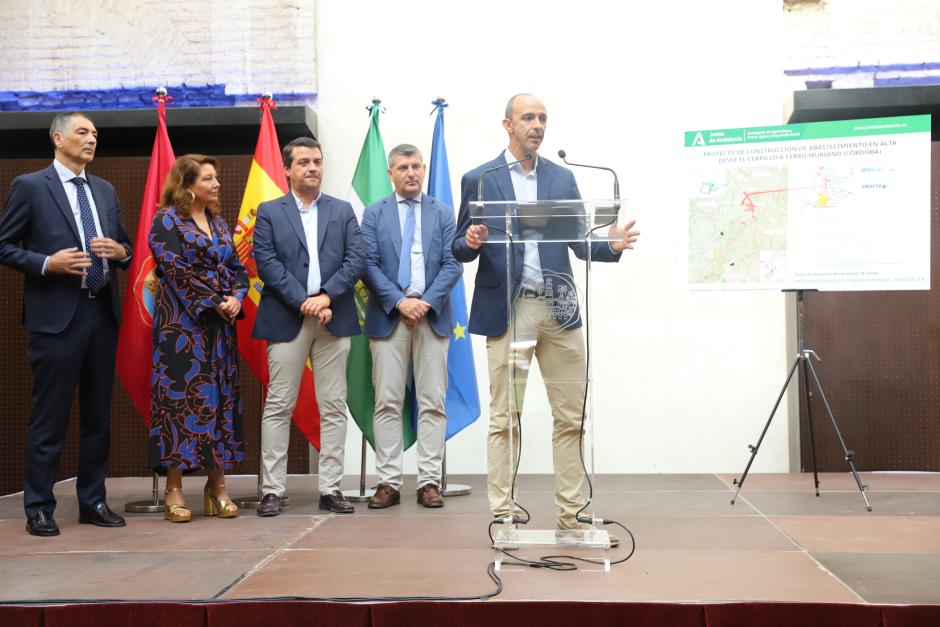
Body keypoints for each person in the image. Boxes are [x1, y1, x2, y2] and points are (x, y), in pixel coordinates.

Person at [453, 94, 640, 530]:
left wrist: (609, 245)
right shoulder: (481, 179)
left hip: (559, 310)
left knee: (571, 416)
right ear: (508, 125)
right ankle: (504, 515)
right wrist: (471, 242)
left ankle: (572, 516)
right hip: (512, 312)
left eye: (542, 118)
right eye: (528, 118)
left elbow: (579, 242)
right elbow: (459, 245)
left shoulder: (561, 178)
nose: (537, 125)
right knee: (508, 417)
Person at [0, 112, 132, 536]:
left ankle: (93, 501)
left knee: (98, 417)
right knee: (49, 417)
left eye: (95, 133)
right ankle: (39, 507)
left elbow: (125, 245)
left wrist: (121, 253)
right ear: (58, 138)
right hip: (56, 319)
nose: (92, 139)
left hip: (102, 314)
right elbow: (3, 245)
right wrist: (46, 262)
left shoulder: (105, 189)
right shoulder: (30, 186)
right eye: (82, 132)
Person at [252, 137, 365, 517]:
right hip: (287, 316)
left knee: (333, 405)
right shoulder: (269, 212)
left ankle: (331, 488)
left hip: (334, 317)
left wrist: (327, 297)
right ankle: (272, 490)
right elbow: (267, 264)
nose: (313, 167)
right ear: (287, 169)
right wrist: (305, 302)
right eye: (303, 162)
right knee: (278, 405)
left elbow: (356, 259)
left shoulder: (342, 211)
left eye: (317, 161)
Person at [360, 144, 462, 509]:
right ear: (391, 173)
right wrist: (400, 301)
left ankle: (429, 482)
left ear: (423, 169)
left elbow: (453, 263)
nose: (411, 173)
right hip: (389, 315)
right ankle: (388, 482)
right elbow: (367, 264)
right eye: (403, 167)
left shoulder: (443, 212)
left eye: (416, 166)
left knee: (433, 402)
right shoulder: (374, 213)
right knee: (388, 401)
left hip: (431, 315)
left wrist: (425, 301)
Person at [148, 154, 248, 522]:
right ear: (187, 185)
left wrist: (236, 297)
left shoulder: (219, 222)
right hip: (182, 328)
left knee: (219, 400)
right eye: (208, 178)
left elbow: (236, 267)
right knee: (180, 404)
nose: (217, 184)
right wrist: (214, 300)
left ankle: (216, 486)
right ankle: (174, 489)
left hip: (220, 328)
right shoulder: (166, 220)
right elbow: (175, 270)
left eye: (215, 178)